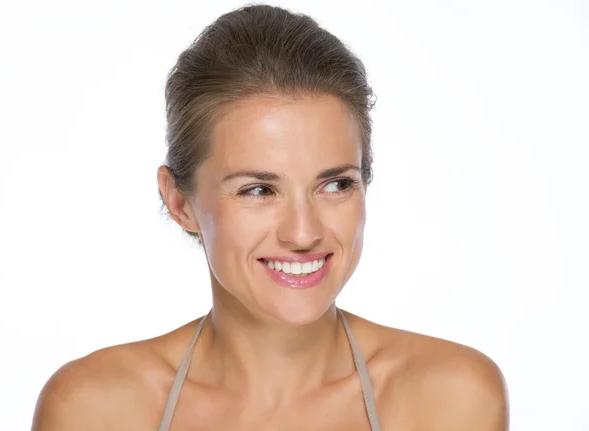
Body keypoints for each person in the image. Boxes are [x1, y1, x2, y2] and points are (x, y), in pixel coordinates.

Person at [32, 4, 508, 430]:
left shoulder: (450, 398)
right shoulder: (93, 409)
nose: (303, 233)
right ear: (181, 203)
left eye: (336, 184)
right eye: (258, 190)